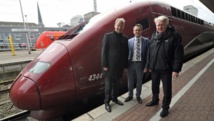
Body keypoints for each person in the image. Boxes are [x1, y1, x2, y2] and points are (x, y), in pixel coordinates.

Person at [146, 15, 184, 118]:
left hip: (166, 69)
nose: (160, 27)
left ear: (167, 24)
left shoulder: (174, 36)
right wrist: (149, 65)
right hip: (154, 68)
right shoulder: (154, 35)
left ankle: (165, 107)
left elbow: (178, 53)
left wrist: (176, 69)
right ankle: (155, 100)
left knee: (167, 89)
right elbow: (150, 51)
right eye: (158, 25)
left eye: (162, 25)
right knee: (154, 86)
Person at [101, 18, 128, 112]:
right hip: (109, 67)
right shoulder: (107, 36)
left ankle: (115, 99)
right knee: (108, 87)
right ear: (115, 25)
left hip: (119, 67)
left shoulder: (125, 38)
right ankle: (107, 102)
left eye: (122, 25)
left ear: (123, 27)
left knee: (116, 85)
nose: (120, 27)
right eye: (118, 25)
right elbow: (104, 51)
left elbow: (125, 53)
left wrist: (125, 66)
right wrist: (104, 64)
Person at [124, 24, 150, 104]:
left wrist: (146, 66)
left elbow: (148, 55)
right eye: (136, 30)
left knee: (139, 81)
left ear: (141, 31)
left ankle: (138, 95)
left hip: (140, 64)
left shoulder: (146, 41)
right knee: (130, 81)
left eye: (139, 30)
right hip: (131, 64)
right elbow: (126, 53)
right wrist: (125, 65)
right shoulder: (129, 41)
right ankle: (130, 95)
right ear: (133, 31)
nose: (137, 31)